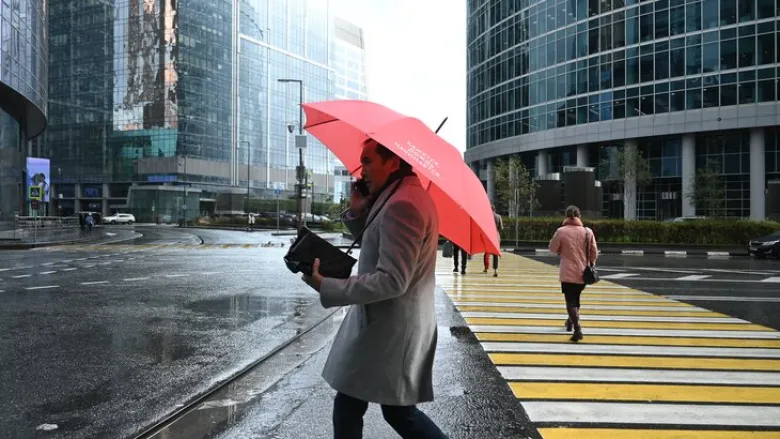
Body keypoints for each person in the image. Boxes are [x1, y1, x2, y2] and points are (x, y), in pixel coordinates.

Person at [301, 138, 449, 439]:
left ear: (393, 162)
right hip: (385, 324)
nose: (362, 170)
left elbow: (393, 278)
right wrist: (359, 211)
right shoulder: (397, 195)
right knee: (370, 406)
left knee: (380, 409)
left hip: (390, 327)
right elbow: (380, 240)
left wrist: (328, 285)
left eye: (368, 161)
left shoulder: (404, 204)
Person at [548, 205, 598, 342]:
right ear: (579, 216)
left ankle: (577, 328)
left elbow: (552, 249)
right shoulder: (587, 232)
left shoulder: (561, 231)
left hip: (567, 273)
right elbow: (594, 252)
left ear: (566, 216)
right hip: (583, 273)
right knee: (576, 299)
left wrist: (561, 249)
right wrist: (591, 263)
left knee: (570, 301)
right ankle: (570, 321)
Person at [483, 205, 503, 277]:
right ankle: (495, 270)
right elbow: (501, 227)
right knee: (495, 254)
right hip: (496, 236)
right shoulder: (498, 216)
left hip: (488, 236)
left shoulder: (486, 217)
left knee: (486, 253)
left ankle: (486, 268)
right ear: (494, 210)